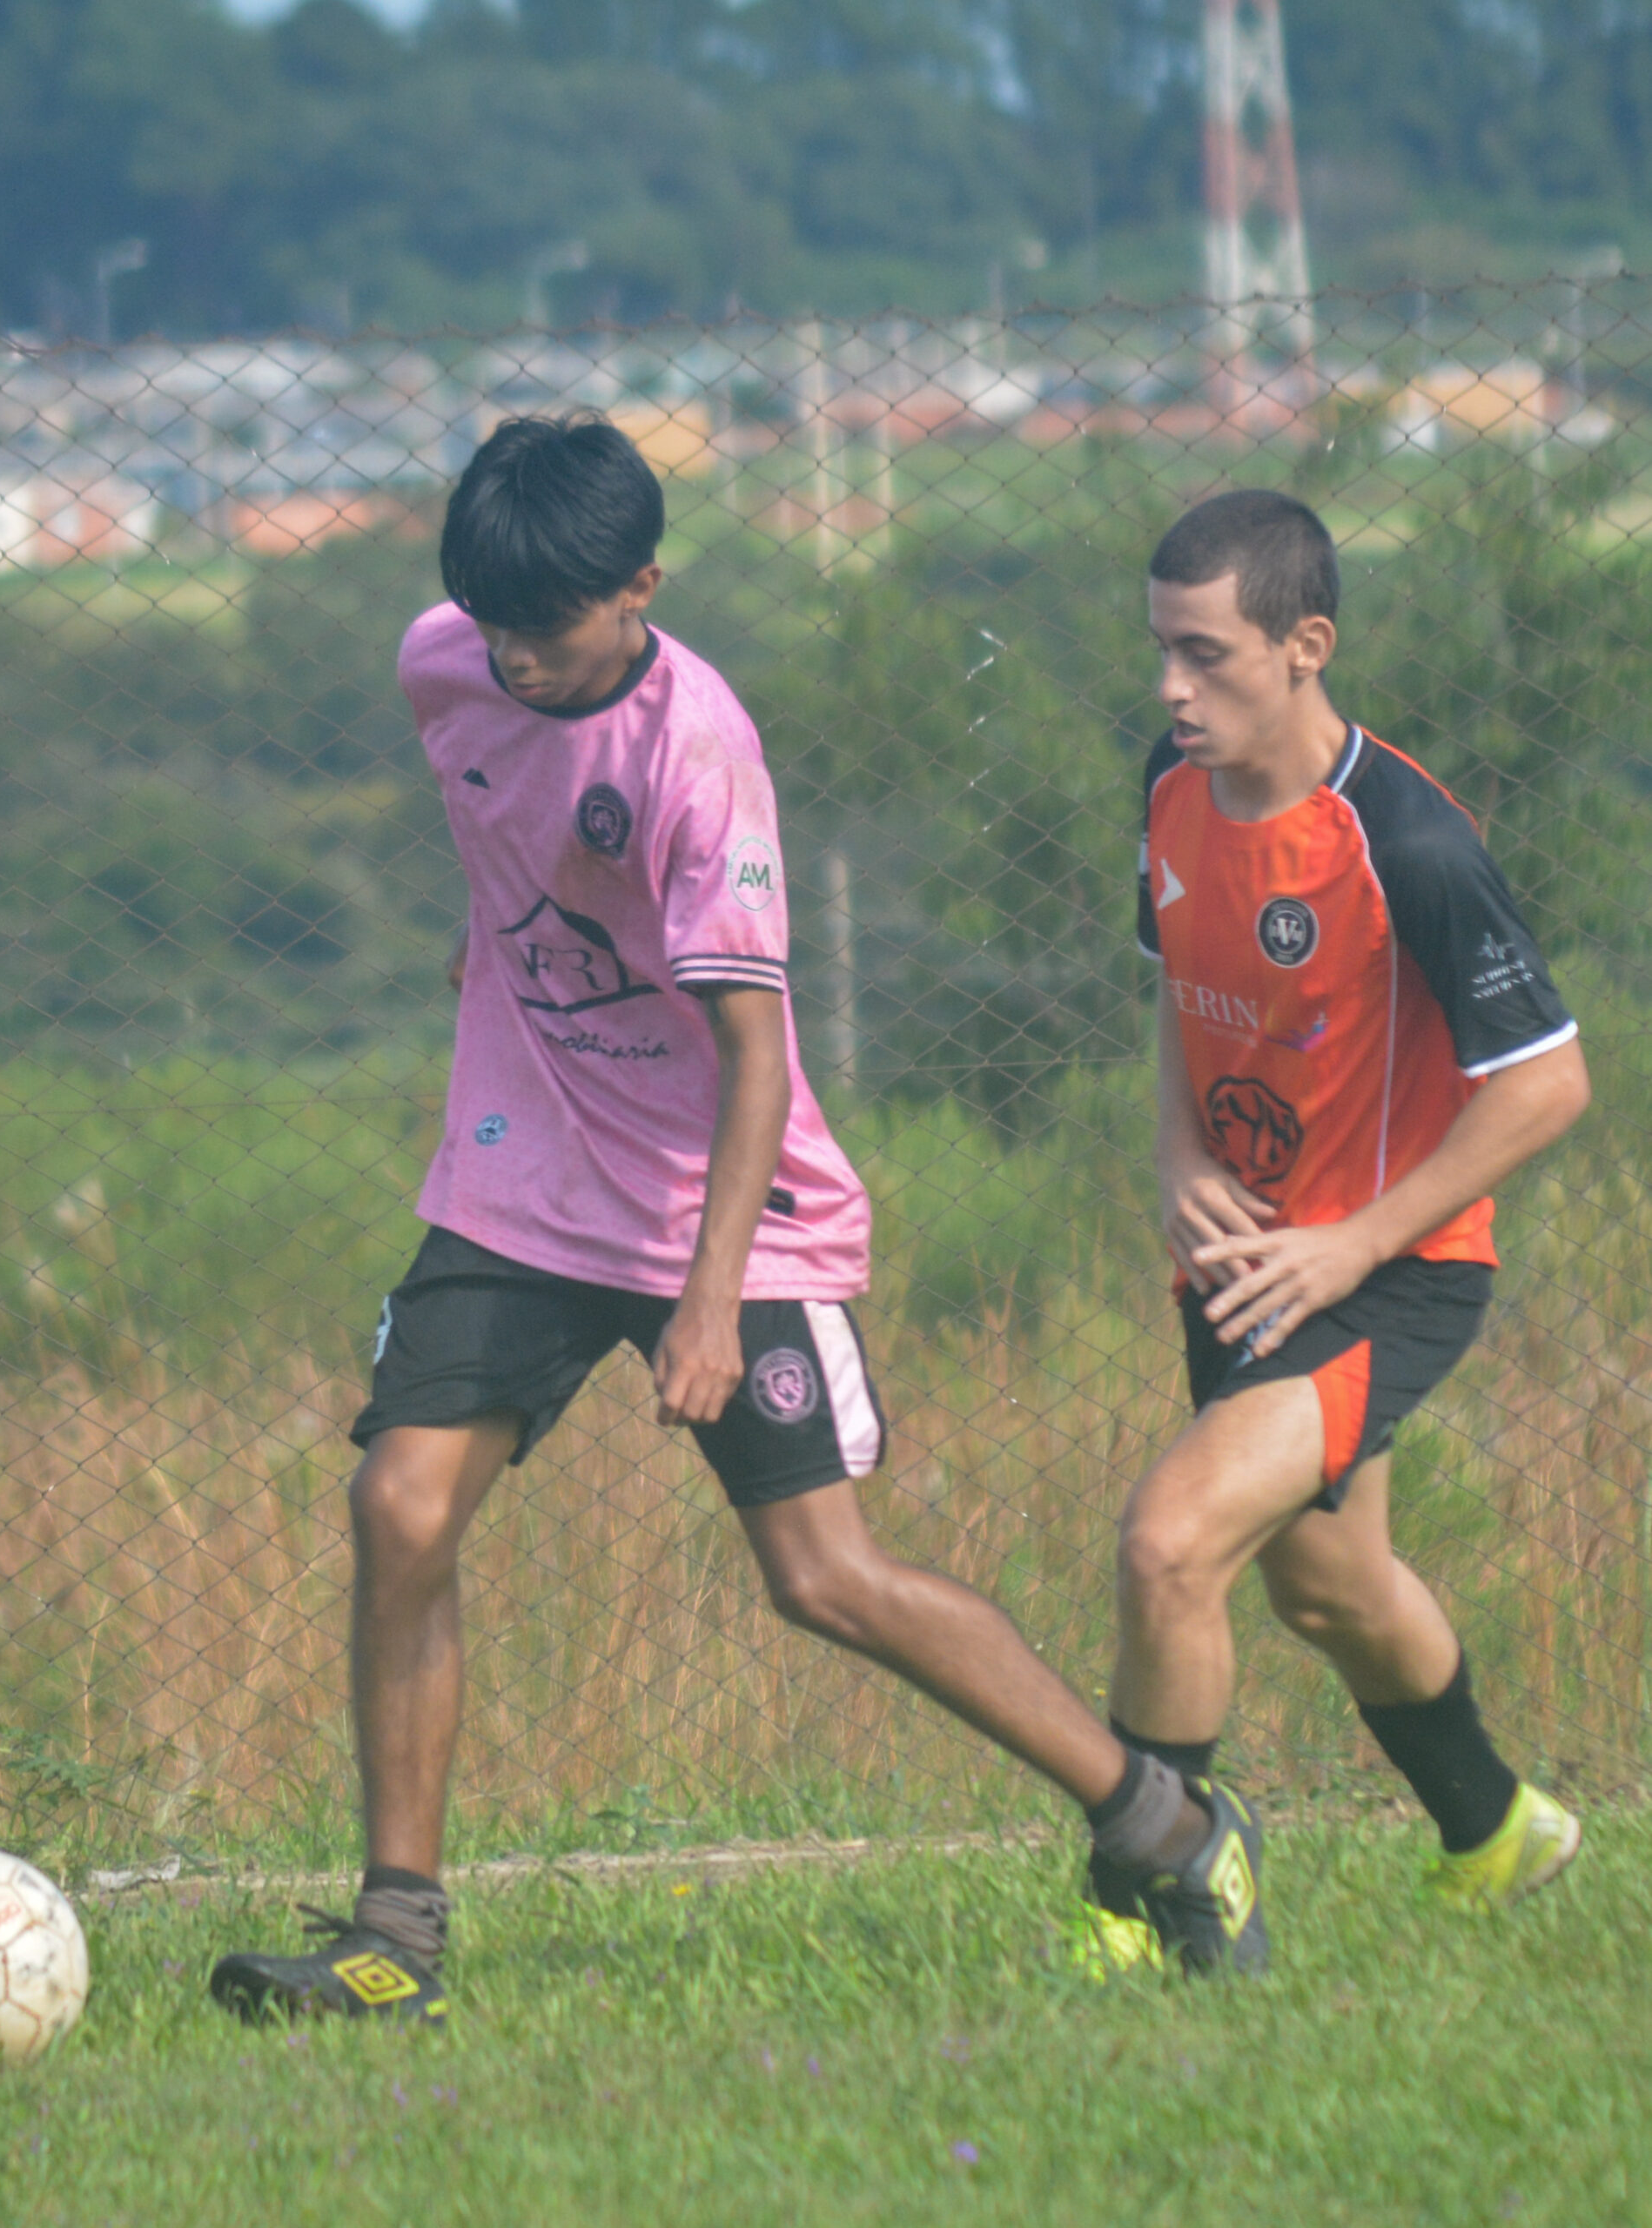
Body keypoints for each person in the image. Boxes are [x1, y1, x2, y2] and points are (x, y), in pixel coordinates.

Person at [211, 417, 1265, 2023]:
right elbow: (504, 824)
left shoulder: (696, 755)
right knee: (399, 1511)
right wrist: (489, 940)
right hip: (523, 1174)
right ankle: (394, 1941)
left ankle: (1168, 1827)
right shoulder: (446, 662)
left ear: (641, 585)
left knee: (823, 1578)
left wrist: (708, 1302)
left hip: (724, 1199)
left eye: (547, 630)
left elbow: (755, 1053)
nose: (516, 658)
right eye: (492, 623)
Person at [1094, 487, 1588, 1933]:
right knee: (1327, 1586)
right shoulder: (1170, 782)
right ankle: (1497, 1831)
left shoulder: (1409, 843)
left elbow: (1548, 1082)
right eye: (1161, 651)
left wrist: (1357, 1240)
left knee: (1171, 1543)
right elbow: (1178, 989)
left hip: (1387, 1268)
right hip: (1249, 1263)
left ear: (1305, 646)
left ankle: (1151, 1905)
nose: (1172, 689)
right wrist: (1178, 1156)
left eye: (1205, 655)